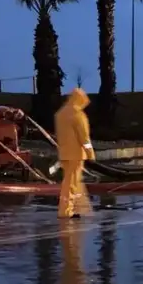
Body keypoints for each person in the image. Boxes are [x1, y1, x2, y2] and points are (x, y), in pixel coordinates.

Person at [54, 88, 96, 218]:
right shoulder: (77, 115)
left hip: (64, 153)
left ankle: (72, 208)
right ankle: (66, 211)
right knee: (71, 184)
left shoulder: (60, 114)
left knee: (70, 182)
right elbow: (84, 138)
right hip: (76, 154)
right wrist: (90, 153)